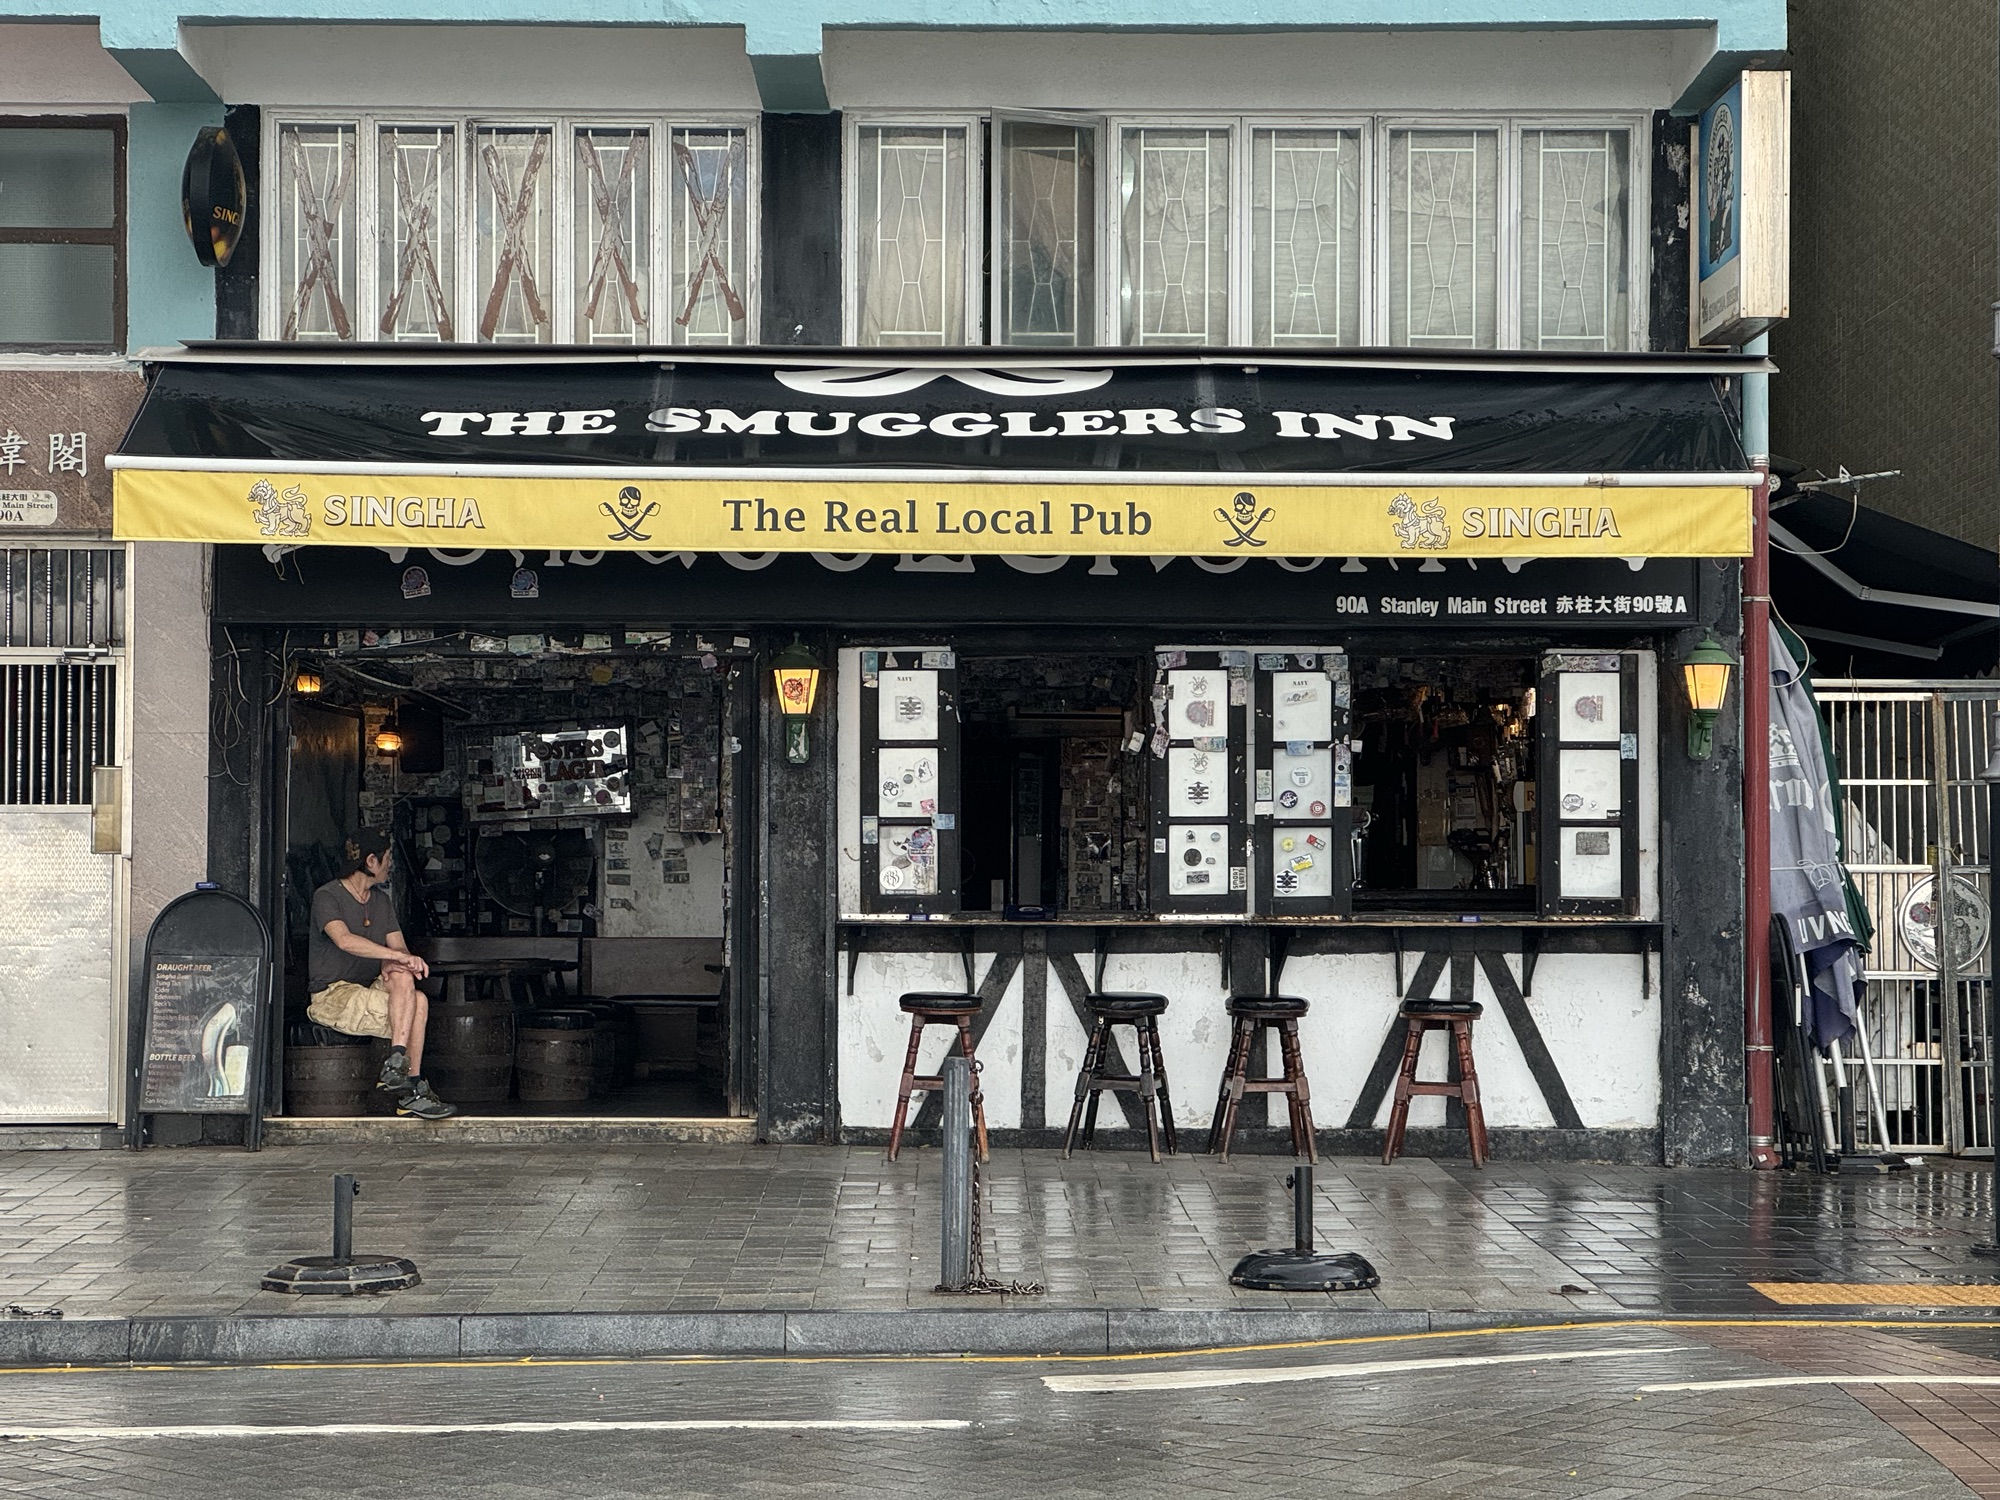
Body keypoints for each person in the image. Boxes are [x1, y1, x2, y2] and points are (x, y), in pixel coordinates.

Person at [305, 829, 456, 1120]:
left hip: (368, 988)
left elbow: (399, 949)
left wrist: (397, 961)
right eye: (387, 858)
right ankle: (411, 1090)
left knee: (407, 981)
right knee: (417, 1002)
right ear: (371, 861)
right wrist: (393, 956)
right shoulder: (327, 896)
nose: (390, 865)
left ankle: (397, 1063)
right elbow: (344, 940)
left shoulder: (381, 902)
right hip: (332, 995)